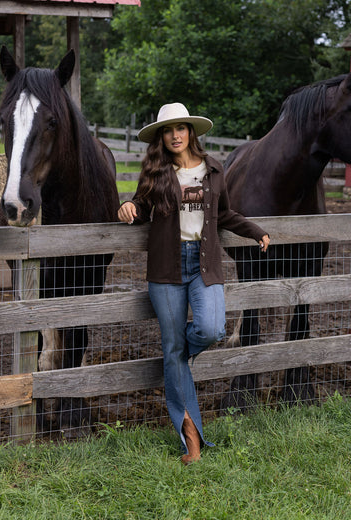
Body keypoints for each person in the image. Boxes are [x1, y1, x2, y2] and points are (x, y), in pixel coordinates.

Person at [118, 102, 270, 465]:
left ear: (191, 132)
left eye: (181, 128)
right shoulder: (155, 171)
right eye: (168, 130)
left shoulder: (213, 169)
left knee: (211, 328)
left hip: (204, 266)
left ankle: (174, 359)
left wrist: (255, 231)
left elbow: (225, 214)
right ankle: (191, 438)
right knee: (173, 347)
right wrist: (128, 206)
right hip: (166, 268)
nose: (175, 135)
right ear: (161, 137)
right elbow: (140, 205)